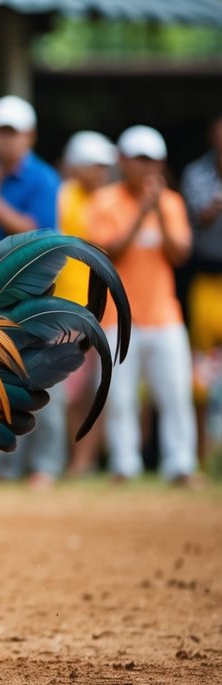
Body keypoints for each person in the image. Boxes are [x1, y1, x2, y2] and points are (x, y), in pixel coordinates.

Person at [87, 126, 198, 485]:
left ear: (161, 164)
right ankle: (124, 465)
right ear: (123, 160)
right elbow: (107, 252)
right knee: (120, 399)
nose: (146, 167)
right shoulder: (104, 201)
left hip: (164, 315)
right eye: (139, 159)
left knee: (176, 395)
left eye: (152, 160)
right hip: (118, 318)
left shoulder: (172, 203)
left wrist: (160, 214)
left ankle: (180, 465)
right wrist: (141, 214)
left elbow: (180, 254)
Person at [0, 95, 62, 487]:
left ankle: (46, 464)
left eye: (14, 133)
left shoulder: (43, 178)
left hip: (27, 291)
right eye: (0, 132)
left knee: (39, 370)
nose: (6, 141)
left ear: (30, 136)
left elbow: (37, 233)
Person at [55, 130, 117, 477]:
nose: (102, 172)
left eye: (105, 165)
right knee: (68, 389)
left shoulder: (112, 200)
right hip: (63, 307)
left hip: (101, 309)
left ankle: (85, 461)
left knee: (98, 390)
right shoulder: (61, 197)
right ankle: (73, 457)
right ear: (75, 166)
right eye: (95, 165)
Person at [181, 114, 222, 469]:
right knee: (201, 372)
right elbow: (200, 219)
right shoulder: (197, 173)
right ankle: (200, 453)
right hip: (207, 280)